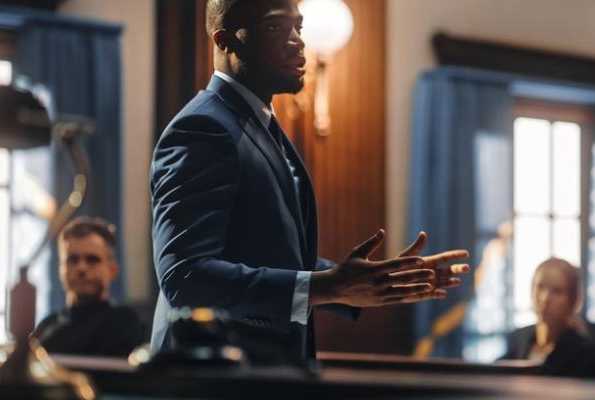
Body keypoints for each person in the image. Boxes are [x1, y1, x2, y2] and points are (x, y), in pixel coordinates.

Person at [149, 0, 469, 360]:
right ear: (224, 41)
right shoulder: (203, 128)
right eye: (275, 28)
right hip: (214, 377)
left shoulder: (259, 124)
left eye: (298, 28)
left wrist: (367, 280)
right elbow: (184, 277)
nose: (298, 41)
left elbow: (269, 254)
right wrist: (326, 286)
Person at [32, 217, 144, 357]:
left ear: (112, 270)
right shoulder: (46, 326)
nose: (82, 268)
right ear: (61, 269)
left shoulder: (124, 322)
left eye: (92, 259)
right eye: (72, 259)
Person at [500, 258, 595, 380]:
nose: (545, 299)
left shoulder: (591, 355)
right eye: (540, 287)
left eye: (557, 291)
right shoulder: (518, 340)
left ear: (575, 300)